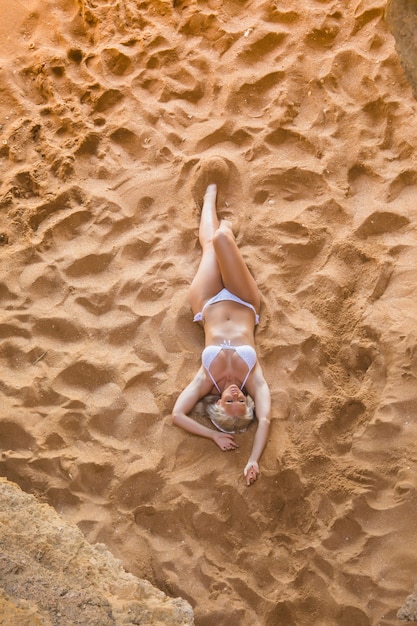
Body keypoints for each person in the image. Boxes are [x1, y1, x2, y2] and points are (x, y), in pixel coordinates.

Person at [172, 170, 271, 486]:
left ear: (217, 404)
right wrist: (254, 458)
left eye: (230, 402)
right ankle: (225, 225)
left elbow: (177, 415)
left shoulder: (205, 380)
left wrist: (214, 436)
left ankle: (210, 196)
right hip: (244, 301)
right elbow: (266, 418)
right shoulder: (252, 379)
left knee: (210, 246)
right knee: (222, 238)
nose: (235, 397)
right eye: (241, 402)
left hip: (207, 302)